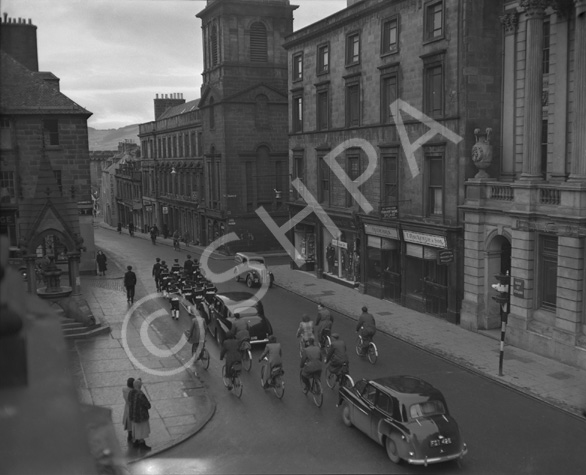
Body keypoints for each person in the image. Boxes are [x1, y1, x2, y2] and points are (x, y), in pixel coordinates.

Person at [128, 379, 151, 451]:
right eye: (140, 385)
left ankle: (135, 442)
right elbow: (147, 405)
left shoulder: (131, 392)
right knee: (141, 430)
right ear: (139, 386)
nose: (141, 386)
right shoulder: (140, 394)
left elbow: (129, 400)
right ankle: (142, 444)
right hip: (141, 416)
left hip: (133, 414)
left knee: (135, 429)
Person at [122, 377, 135, 442]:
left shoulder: (124, 390)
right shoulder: (134, 392)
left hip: (127, 408)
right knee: (133, 422)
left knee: (128, 422)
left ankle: (129, 434)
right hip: (134, 409)